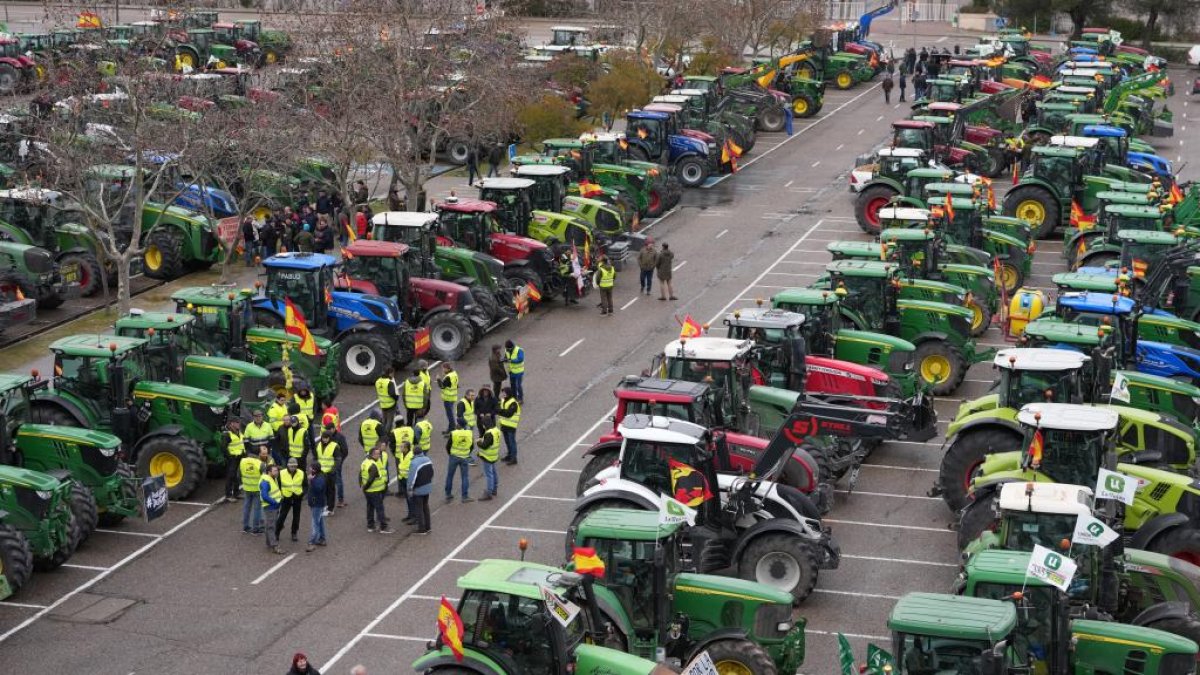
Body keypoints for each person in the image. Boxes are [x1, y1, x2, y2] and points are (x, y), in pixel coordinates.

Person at [360, 443, 392, 533]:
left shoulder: (365, 462)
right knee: (379, 508)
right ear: (373, 454)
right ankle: (383, 527)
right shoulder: (373, 466)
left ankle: (370, 526)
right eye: (378, 454)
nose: (379, 455)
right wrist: (366, 487)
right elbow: (371, 479)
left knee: (370, 507)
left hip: (368, 491)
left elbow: (360, 474)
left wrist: (363, 487)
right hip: (375, 490)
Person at [276, 457, 306, 544]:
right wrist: (280, 494)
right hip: (286, 497)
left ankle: (294, 532)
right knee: (282, 516)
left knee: (296, 516)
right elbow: (278, 485)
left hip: (297, 497)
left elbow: (305, 485)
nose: (293, 468)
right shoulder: (282, 473)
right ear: (288, 466)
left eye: (294, 466)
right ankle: (277, 532)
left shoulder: (301, 473)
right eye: (291, 466)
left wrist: (302, 494)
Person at [240, 449, 269, 534]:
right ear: (258, 454)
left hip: (246, 488)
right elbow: (265, 478)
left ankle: (245, 527)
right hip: (257, 489)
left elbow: (239, 475)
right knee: (257, 509)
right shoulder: (260, 464)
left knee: (246, 507)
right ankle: (256, 529)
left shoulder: (242, 461)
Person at [408, 445, 434, 535]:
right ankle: (428, 527)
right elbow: (432, 472)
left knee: (419, 509)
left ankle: (421, 529)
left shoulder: (414, 463)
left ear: (414, 452)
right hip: (427, 487)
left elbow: (412, 478)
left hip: (418, 489)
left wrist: (410, 489)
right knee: (426, 507)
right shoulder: (428, 459)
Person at [445, 425, 474, 503]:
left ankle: (448, 494)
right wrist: (467, 453)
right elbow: (472, 446)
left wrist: (450, 453)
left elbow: (448, 446)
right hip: (464, 457)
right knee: (465, 477)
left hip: (454, 457)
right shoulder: (469, 433)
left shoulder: (454, 433)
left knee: (450, 476)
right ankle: (464, 496)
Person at [260, 464, 284, 554]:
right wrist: (275, 502)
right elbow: (265, 496)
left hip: (273, 506)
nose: (277, 472)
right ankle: (274, 546)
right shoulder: (265, 482)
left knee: (269, 525)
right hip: (270, 507)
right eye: (275, 471)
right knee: (271, 526)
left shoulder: (272, 478)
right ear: (269, 472)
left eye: (277, 471)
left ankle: (269, 542)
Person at [314, 430, 339, 513]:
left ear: (330, 438)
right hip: (321, 472)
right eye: (323, 438)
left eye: (326, 438)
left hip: (330, 472)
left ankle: (330, 509)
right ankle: (326, 505)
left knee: (330, 491)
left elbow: (338, 459)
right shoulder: (319, 445)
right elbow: (317, 458)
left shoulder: (334, 446)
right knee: (323, 490)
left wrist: (333, 470)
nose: (324, 440)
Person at [222, 419, 245, 501]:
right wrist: (229, 456)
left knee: (237, 476)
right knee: (231, 476)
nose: (239, 424)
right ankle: (228, 495)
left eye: (239, 422)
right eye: (237, 422)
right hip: (233, 458)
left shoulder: (239, 432)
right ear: (232, 424)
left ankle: (236, 493)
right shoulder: (227, 434)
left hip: (240, 457)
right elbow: (224, 447)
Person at [306, 464, 327, 552]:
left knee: (315, 523)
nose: (309, 469)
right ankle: (322, 539)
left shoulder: (319, 478)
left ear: (314, 469)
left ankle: (312, 542)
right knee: (320, 521)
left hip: (317, 504)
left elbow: (318, 488)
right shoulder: (318, 476)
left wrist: (311, 480)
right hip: (316, 503)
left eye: (311, 468)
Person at [477, 423, 501, 500]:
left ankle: (489, 493)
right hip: (494, 455)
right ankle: (494, 488)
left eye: (483, 424)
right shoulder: (496, 430)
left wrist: (478, 442)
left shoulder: (489, 433)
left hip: (487, 456)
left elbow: (484, 445)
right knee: (493, 472)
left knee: (489, 474)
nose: (483, 426)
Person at [498, 387, 521, 464]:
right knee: (507, 442)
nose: (503, 394)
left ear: (508, 393)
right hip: (504, 425)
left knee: (512, 442)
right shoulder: (503, 401)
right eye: (503, 393)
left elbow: (508, 414)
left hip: (511, 426)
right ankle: (509, 455)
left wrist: (499, 411)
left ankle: (514, 458)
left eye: (505, 393)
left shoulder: (513, 403)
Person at [395, 440, 416, 522]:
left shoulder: (411, 456)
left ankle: (414, 517)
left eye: (402, 447)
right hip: (402, 479)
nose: (400, 448)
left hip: (409, 480)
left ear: (407, 448)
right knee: (408, 499)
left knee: (411, 499)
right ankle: (410, 515)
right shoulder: (401, 454)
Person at [438, 362, 460, 433]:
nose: (443, 370)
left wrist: (438, 379)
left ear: (447, 368)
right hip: (453, 397)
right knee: (450, 413)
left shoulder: (448, 377)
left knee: (449, 415)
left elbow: (442, 386)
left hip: (448, 398)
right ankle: (450, 428)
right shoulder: (454, 374)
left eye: (444, 368)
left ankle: (452, 428)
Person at [374, 367, 399, 431]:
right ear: (390, 373)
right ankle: (386, 435)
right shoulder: (389, 382)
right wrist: (396, 398)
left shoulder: (378, 381)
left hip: (383, 403)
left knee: (384, 420)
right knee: (389, 422)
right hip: (391, 404)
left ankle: (382, 432)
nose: (393, 375)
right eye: (393, 373)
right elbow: (392, 393)